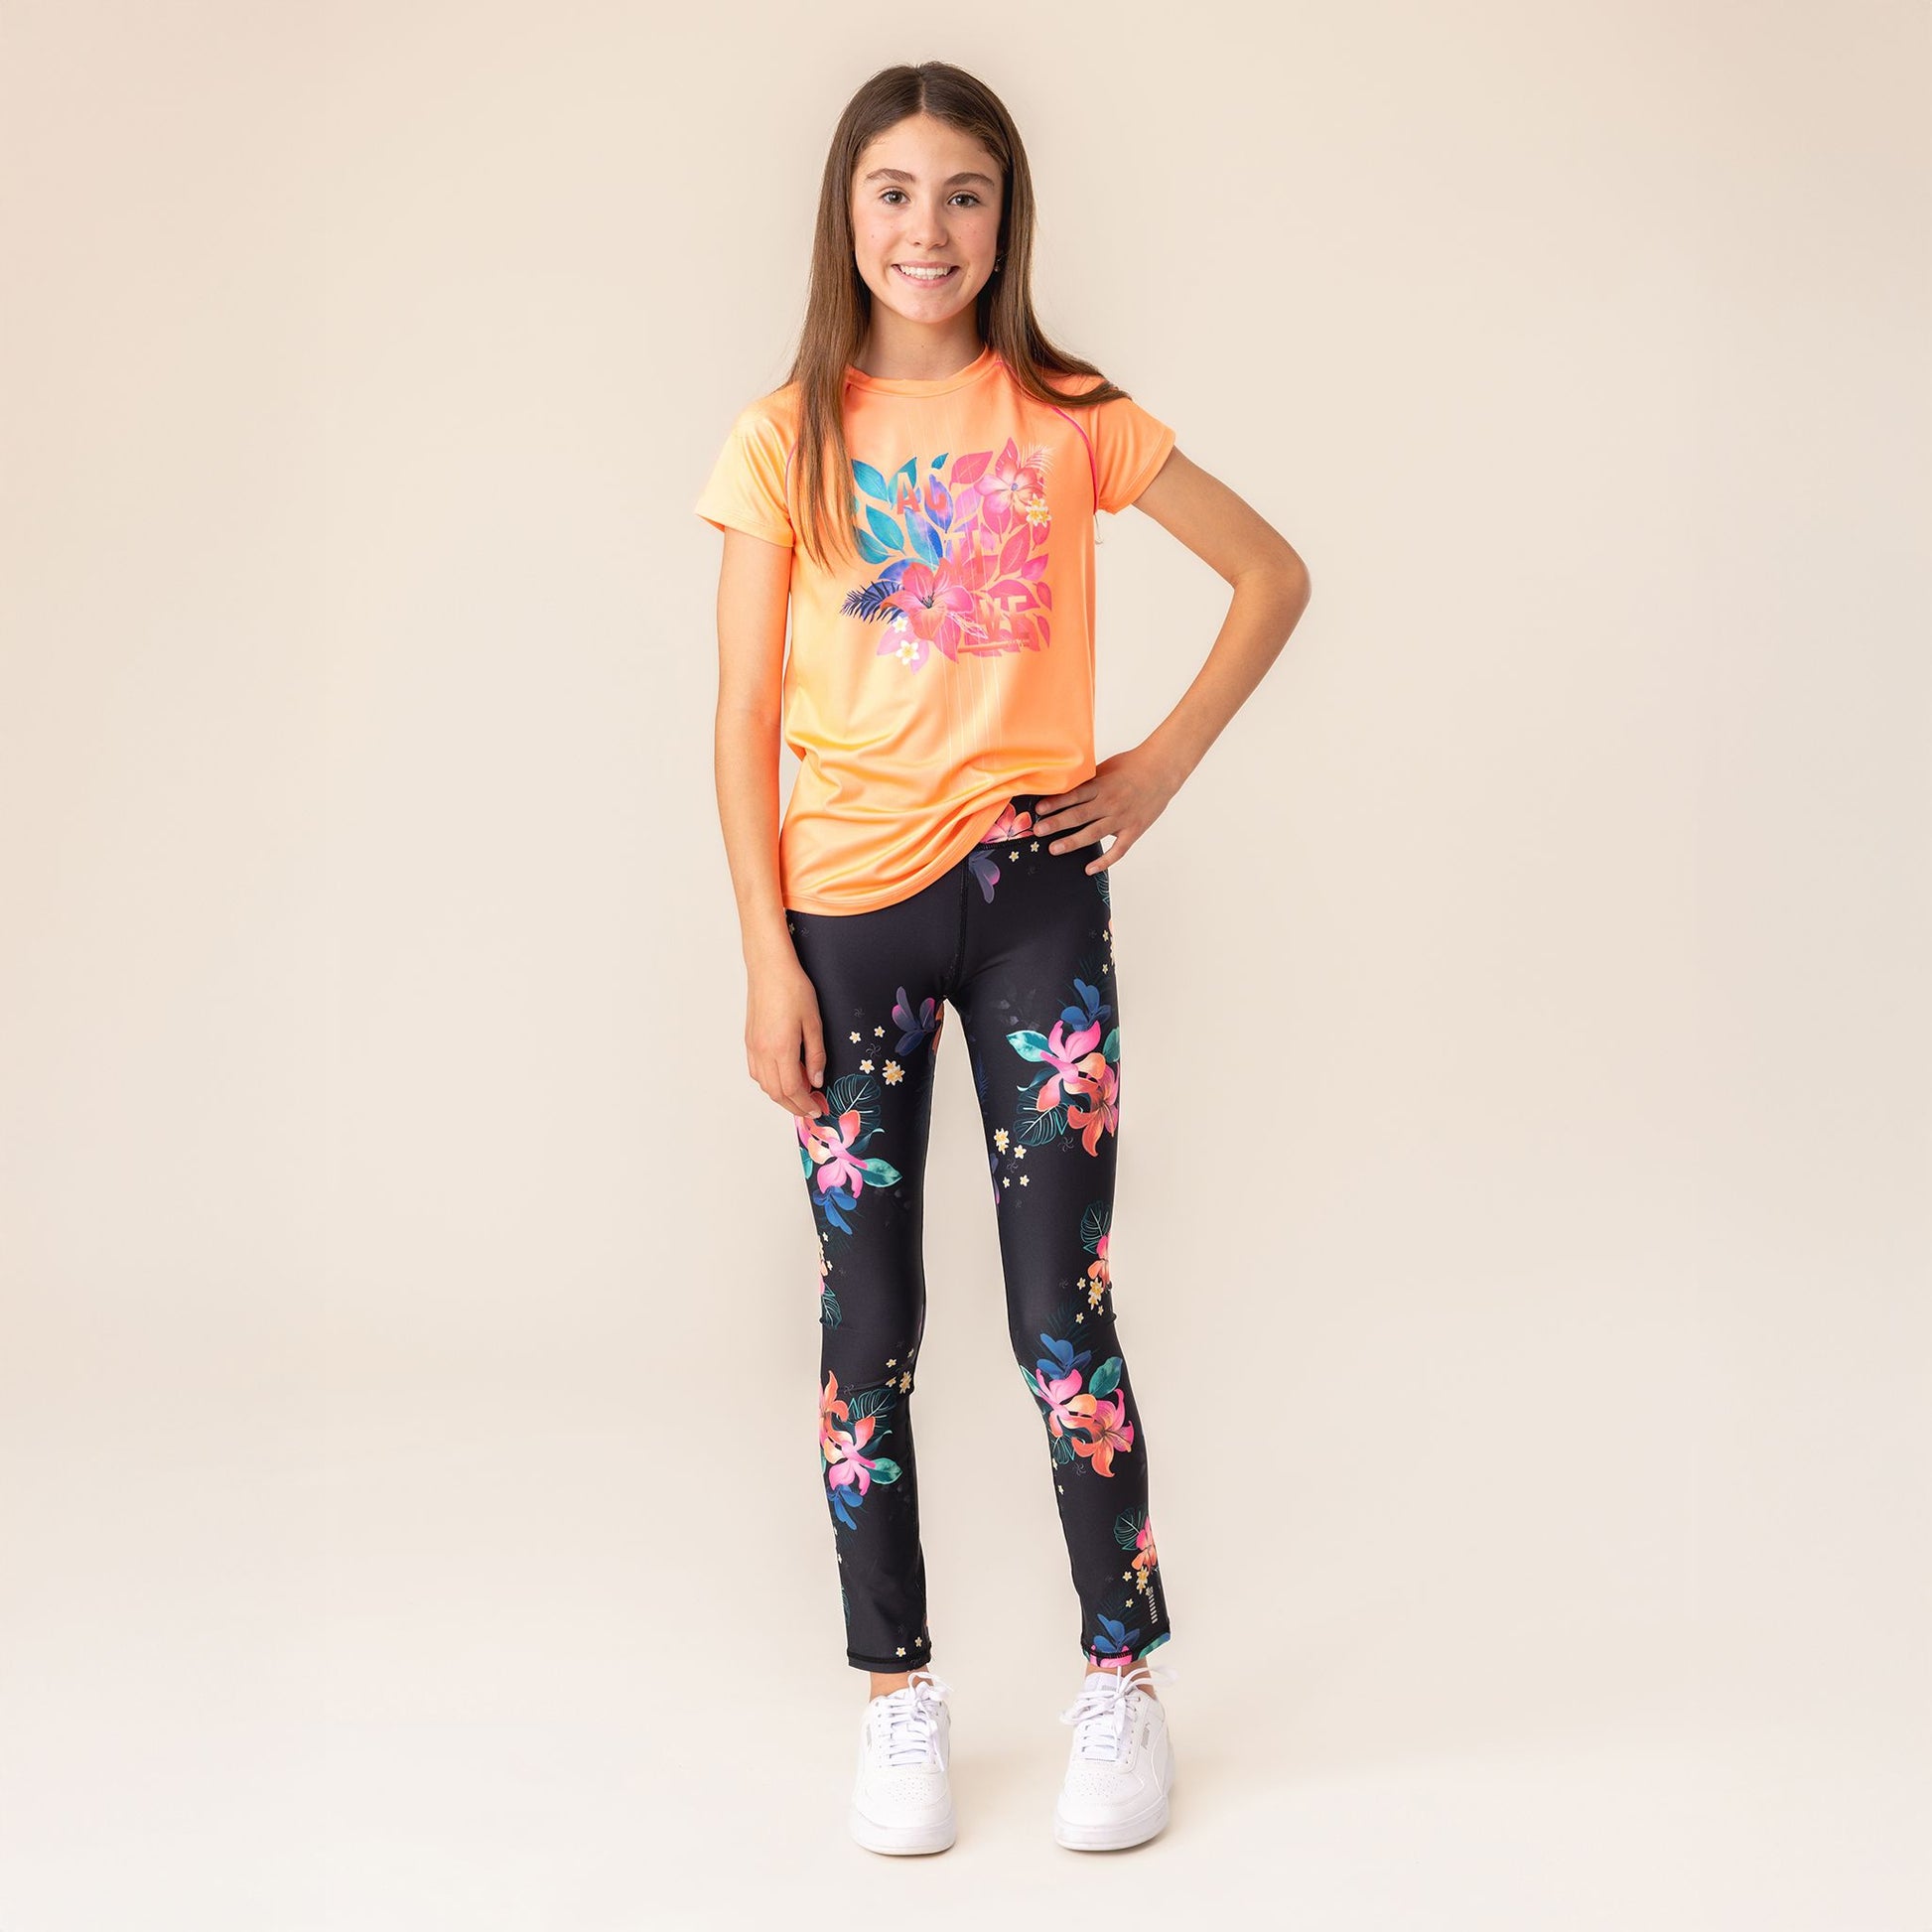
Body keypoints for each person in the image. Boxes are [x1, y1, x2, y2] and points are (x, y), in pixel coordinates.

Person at [694, 62, 1311, 1856]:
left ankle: (1122, 1673)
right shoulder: (780, 437)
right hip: (845, 920)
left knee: (1061, 1310)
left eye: (963, 193)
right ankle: (896, 1693)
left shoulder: (1067, 412)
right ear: (844, 214)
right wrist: (764, 957)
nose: (928, 229)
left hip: (1035, 901)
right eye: (893, 192)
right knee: (867, 1321)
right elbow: (738, 717)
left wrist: (1156, 768)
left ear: (1005, 218)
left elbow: (1269, 574)